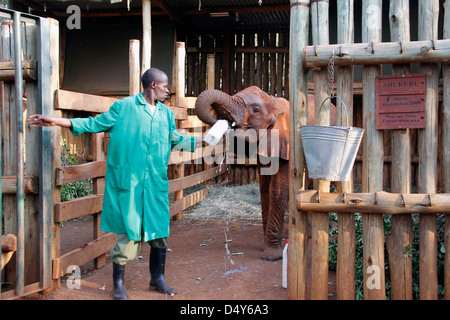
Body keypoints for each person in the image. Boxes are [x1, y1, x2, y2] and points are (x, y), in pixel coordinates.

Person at [28, 68, 202, 300]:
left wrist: (203, 140)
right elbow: (94, 124)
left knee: (159, 232)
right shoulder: (124, 108)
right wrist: (57, 121)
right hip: (129, 184)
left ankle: (157, 278)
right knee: (128, 233)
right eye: (164, 85)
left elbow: (175, 140)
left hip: (154, 184)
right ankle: (118, 283)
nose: (167, 90)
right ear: (152, 85)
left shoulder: (166, 114)